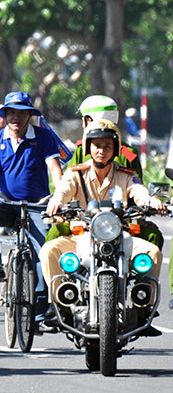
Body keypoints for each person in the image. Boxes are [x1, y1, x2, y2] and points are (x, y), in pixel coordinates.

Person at [39, 119, 165, 335]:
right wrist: (56, 202)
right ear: (89, 147)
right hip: (83, 235)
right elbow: (63, 189)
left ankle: (143, 308)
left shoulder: (126, 174)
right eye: (97, 145)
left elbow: (138, 190)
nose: (102, 151)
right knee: (49, 250)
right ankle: (58, 305)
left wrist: (151, 202)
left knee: (152, 252)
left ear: (115, 149)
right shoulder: (76, 173)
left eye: (108, 146)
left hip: (120, 237)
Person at [0, 91, 62, 321]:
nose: (16, 118)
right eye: (11, 113)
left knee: (44, 251)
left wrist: (59, 195)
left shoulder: (43, 137)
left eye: (21, 113)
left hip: (36, 206)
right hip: (6, 203)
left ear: (30, 115)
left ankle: (41, 307)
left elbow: (54, 167)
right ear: (5, 115)